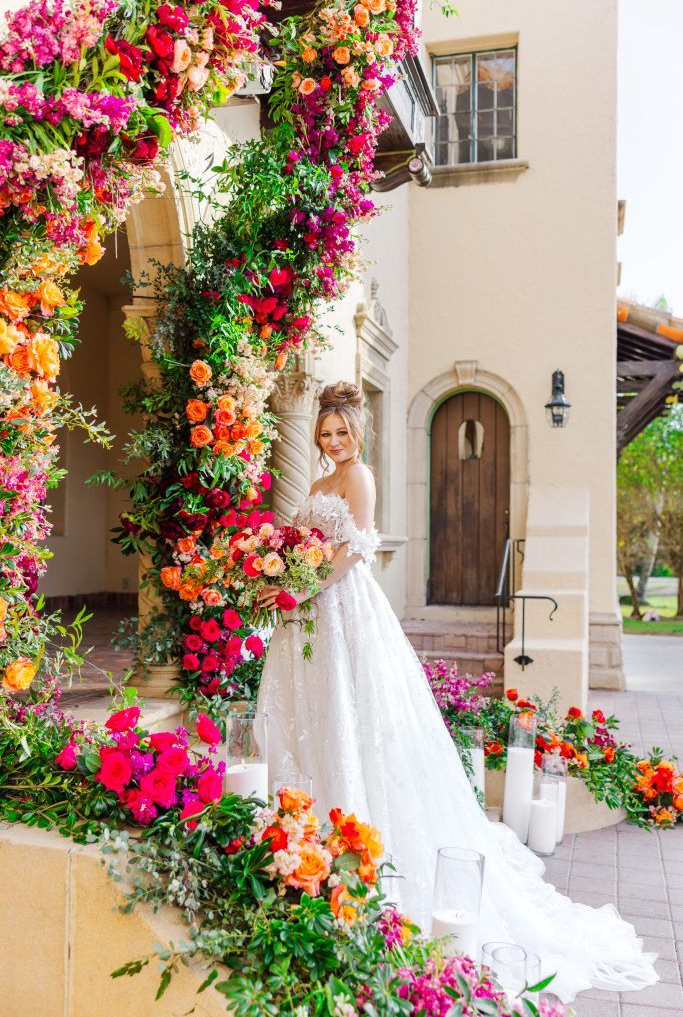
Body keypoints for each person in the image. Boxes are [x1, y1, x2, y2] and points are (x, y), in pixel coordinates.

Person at [257, 381, 657, 1001]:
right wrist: (284, 576)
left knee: (351, 713)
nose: (334, 442)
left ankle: (353, 842)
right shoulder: (312, 486)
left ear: (357, 433)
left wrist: (302, 587)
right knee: (311, 712)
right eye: (325, 434)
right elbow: (302, 547)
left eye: (342, 432)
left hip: (343, 611)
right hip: (307, 617)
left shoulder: (358, 477)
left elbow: (355, 551)